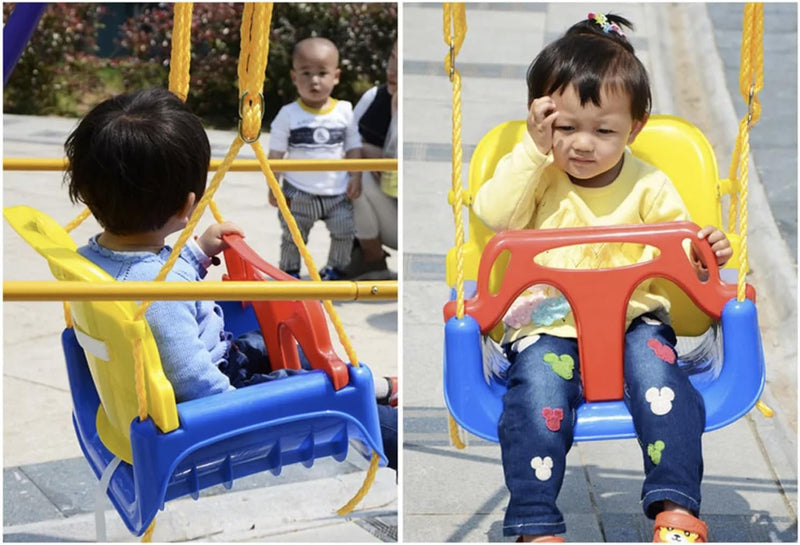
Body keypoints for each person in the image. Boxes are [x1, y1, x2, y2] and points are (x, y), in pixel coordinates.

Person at [472, 14, 732, 543]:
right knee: (534, 397)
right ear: (542, 119)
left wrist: (707, 258)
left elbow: (683, 253)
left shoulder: (650, 185)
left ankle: (675, 508)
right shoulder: (538, 175)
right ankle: (536, 521)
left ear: (634, 128)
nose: (583, 145)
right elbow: (494, 215)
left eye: (603, 130)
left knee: (666, 386)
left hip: (633, 324)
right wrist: (531, 148)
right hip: (548, 326)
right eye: (566, 127)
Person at [65, 87, 398, 469]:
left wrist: (198, 252)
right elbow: (191, 378)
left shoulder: (90, 260)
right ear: (187, 205)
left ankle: (372, 387)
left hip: (220, 356)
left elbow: (156, 271)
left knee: (284, 348)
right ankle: (381, 412)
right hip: (217, 402)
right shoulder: (156, 295)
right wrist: (240, 406)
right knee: (324, 394)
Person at [268, 37, 362, 281]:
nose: (315, 81)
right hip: (298, 192)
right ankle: (289, 272)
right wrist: (273, 185)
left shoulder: (344, 111)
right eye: (306, 73)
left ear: (336, 76)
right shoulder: (289, 114)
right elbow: (276, 153)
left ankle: (335, 269)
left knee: (345, 231)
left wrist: (357, 176)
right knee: (293, 235)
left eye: (322, 73)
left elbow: (353, 147)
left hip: (337, 192)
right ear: (294, 77)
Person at [344, 40, 399, 280]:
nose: (392, 70)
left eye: (401, 64)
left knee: (358, 173)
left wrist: (386, 159)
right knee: (352, 172)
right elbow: (345, 146)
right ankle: (369, 257)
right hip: (385, 210)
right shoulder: (374, 98)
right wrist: (366, 151)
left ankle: (369, 258)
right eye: (392, 59)